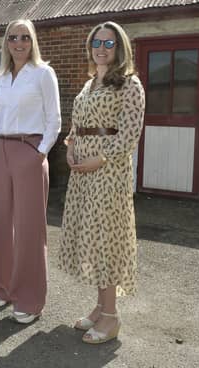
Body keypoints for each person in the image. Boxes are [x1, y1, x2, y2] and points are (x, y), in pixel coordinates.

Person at [59, 21, 145, 344]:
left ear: (120, 47)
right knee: (93, 240)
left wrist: (101, 159)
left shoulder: (130, 85)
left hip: (108, 174)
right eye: (97, 42)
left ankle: (111, 317)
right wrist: (69, 147)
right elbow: (77, 125)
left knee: (106, 241)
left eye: (109, 44)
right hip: (83, 173)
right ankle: (100, 307)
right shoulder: (89, 84)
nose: (102, 48)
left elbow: (129, 133)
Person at [0, 19, 61, 324]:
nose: (19, 43)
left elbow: (54, 120)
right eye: (13, 37)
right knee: (2, 224)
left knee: (29, 228)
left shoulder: (43, 73)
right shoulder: (1, 76)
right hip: (1, 152)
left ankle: (29, 298)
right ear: (6, 42)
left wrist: (38, 154)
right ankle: (3, 288)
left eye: (25, 37)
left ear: (33, 42)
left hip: (29, 151)